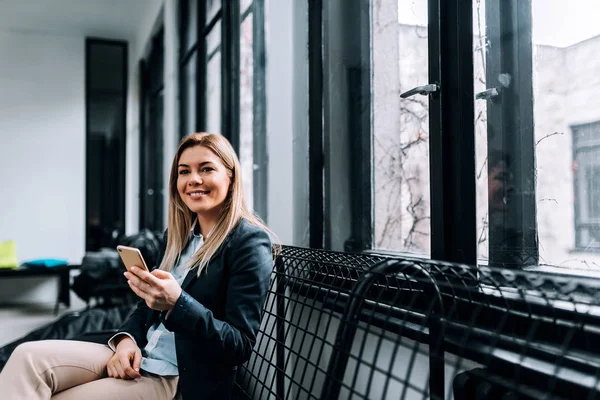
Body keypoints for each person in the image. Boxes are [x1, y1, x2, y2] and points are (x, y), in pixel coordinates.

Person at [0, 133, 277, 400]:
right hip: (142, 354)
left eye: (206, 169)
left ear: (230, 176)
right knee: (26, 357)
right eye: (184, 171)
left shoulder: (248, 242)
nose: (193, 179)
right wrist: (126, 340)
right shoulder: (179, 236)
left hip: (177, 376)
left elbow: (238, 345)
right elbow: (146, 307)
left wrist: (177, 302)